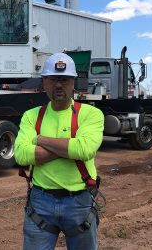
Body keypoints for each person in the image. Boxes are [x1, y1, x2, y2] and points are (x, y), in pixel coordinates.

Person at [14, 52, 104, 250]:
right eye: (53, 79)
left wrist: (40, 140)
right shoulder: (31, 116)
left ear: (73, 83)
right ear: (44, 83)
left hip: (79, 201)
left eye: (64, 79)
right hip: (40, 202)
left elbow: (85, 149)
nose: (58, 85)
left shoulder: (91, 114)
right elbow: (20, 154)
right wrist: (68, 147)